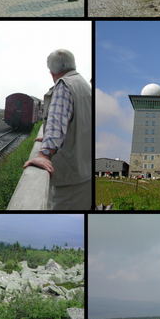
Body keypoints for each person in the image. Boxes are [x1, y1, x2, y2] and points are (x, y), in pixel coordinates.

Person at [23, 49, 92, 210]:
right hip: (84, 174)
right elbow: (76, 124)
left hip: (69, 180)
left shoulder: (64, 85)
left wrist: (44, 154)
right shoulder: (84, 85)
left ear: (52, 72)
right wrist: (47, 136)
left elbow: (57, 121)